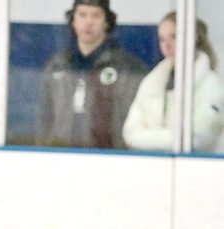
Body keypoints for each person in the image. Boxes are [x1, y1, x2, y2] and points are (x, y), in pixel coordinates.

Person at [37, 0, 147, 149]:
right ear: (73, 20)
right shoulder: (57, 66)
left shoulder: (127, 68)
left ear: (107, 22)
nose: (88, 22)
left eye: (96, 15)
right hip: (61, 156)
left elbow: (135, 121)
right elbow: (45, 118)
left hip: (111, 158)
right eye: (82, 15)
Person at [122, 12, 224, 153]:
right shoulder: (151, 82)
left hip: (199, 169)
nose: (167, 45)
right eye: (162, 39)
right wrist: (170, 138)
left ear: (192, 38)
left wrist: (150, 139)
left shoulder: (212, 85)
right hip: (151, 167)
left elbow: (198, 138)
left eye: (174, 37)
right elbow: (131, 133)